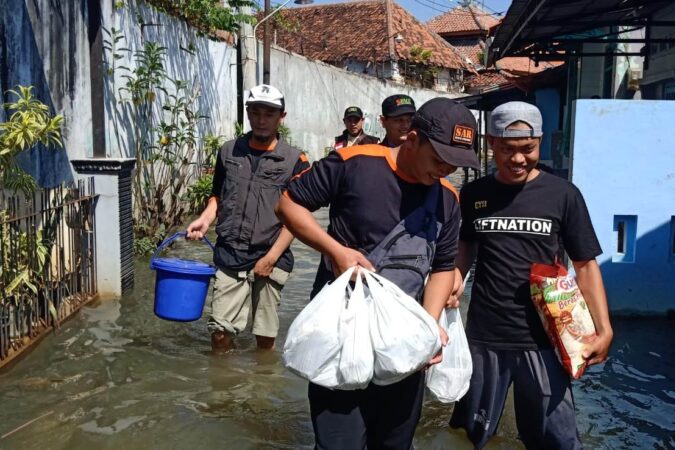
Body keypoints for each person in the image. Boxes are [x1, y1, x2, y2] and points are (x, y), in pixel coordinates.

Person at [276, 98, 481, 450]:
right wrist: (335, 250)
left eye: (455, 164)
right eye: (439, 159)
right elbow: (288, 203)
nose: (446, 170)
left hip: (402, 341)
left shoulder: (448, 199)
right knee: (339, 443)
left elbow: (443, 267)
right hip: (341, 334)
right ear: (412, 139)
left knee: (394, 443)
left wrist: (429, 328)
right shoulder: (355, 163)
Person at [448, 101, 613, 449]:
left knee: (557, 441)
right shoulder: (475, 194)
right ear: (490, 143)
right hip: (484, 337)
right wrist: (456, 280)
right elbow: (466, 245)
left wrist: (604, 328)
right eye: (508, 149)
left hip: (546, 339)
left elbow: (584, 264)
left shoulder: (564, 195)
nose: (518, 159)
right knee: (472, 436)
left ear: (539, 141)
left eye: (528, 149)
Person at [186, 84, 310, 353]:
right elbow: (217, 196)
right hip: (230, 253)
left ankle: (260, 386)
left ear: (281, 117)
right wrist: (205, 220)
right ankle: (224, 390)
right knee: (219, 333)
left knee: (264, 338)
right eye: (255, 112)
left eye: (269, 114)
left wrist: (271, 257)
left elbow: (299, 217)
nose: (261, 120)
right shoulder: (229, 151)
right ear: (248, 113)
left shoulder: (295, 160)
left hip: (271, 254)